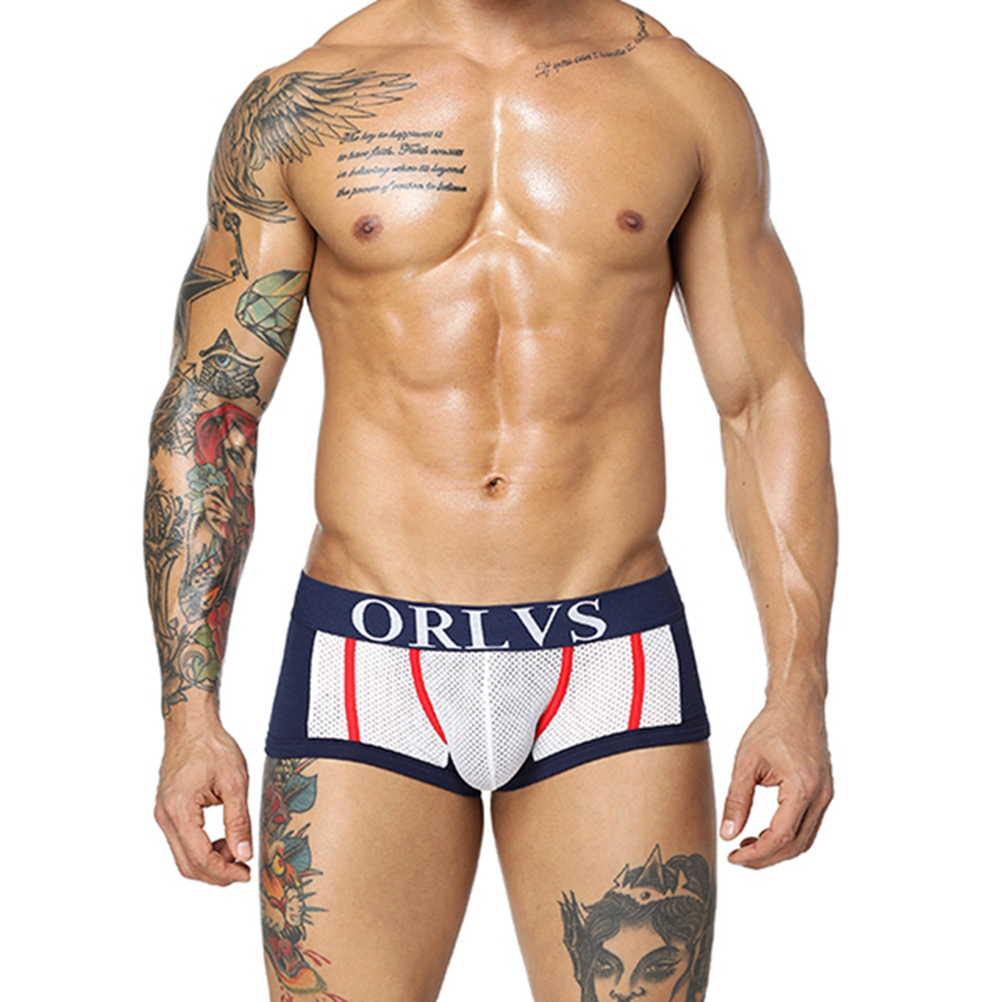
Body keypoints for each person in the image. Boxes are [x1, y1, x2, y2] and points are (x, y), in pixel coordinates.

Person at [145, 1, 836, 998]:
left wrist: (798, 689)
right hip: (367, 662)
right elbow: (214, 405)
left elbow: (763, 398)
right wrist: (189, 713)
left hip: (609, 658)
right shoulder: (301, 104)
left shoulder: (681, 95)